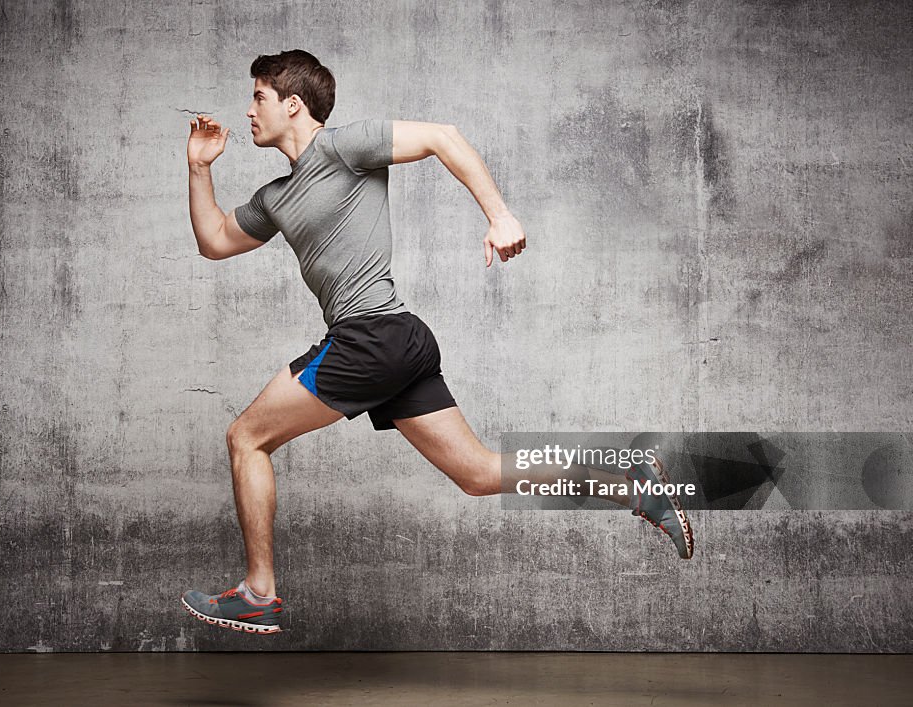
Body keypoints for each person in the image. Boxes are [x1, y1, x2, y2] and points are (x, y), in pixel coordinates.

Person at [181, 50, 693, 634]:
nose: (249, 112)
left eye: (259, 98)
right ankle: (632, 481)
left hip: (372, 336)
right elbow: (215, 241)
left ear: (291, 104)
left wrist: (499, 215)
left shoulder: (344, 148)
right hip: (396, 343)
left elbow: (443, 137)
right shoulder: (276, 196)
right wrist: (200, 167)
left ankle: (259, 591)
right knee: (477, 475)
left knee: (246, 436)